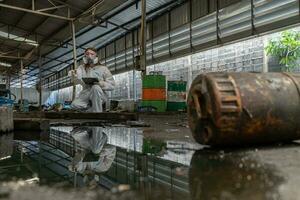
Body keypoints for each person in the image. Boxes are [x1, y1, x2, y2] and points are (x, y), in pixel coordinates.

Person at [68, 47, 115, 112]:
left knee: (95, 87)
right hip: (86, 93)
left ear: (96, 56)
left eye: (92, 54)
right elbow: (77, 79)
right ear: (85, 56)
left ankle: (97, 113)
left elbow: (112, 86)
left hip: (99, 93)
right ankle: (91, 109)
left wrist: (100, 83)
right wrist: (73, 74)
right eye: (87, 54)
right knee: (74, 105)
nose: (89, 56)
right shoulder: (82, 68)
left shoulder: (103, 68)